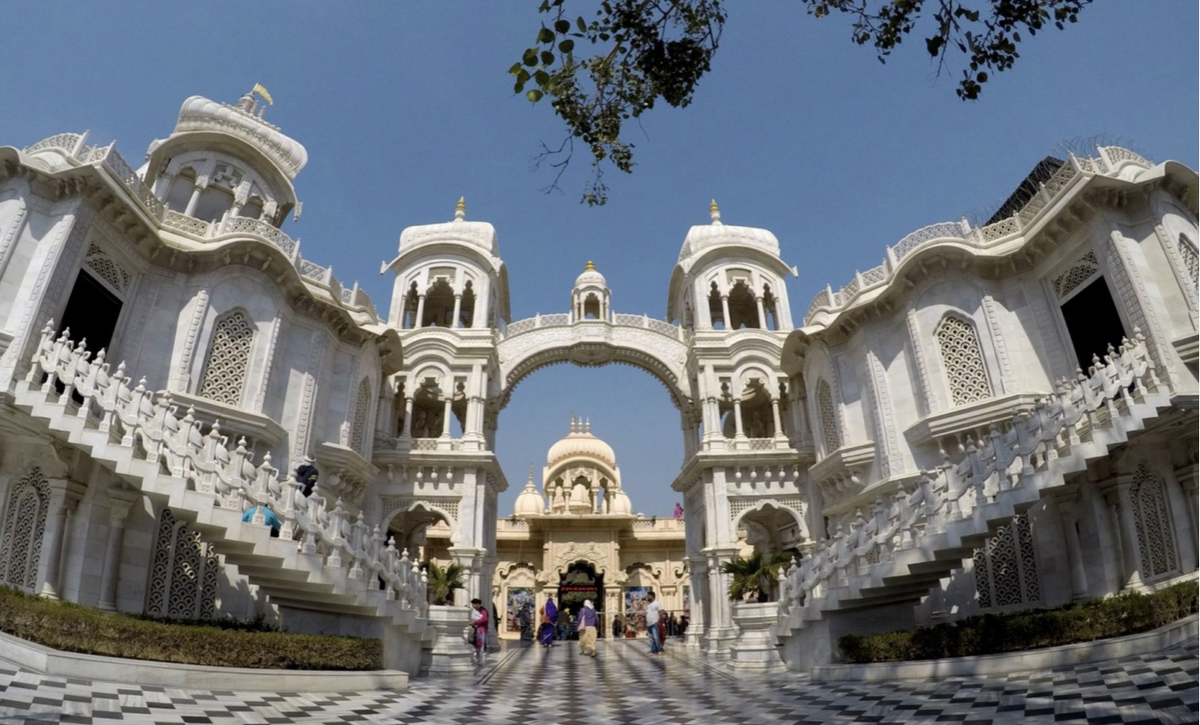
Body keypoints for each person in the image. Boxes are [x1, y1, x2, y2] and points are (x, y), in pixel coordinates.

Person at [470, 598, 489, 665]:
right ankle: (477, 659)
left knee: (480, 645)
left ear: (477, 604)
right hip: (476, 629)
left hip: (481, 629)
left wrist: (476, 622)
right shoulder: (475, 610)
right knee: (476, 644)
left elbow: (484, 619)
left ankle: (480, 660)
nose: (473, 605)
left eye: (474, 604)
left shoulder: (483, 610)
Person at [645, 591, 663, 656]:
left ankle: (659, 650)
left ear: (652, 596)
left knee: (656, 637)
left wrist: (658, 621)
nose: (647, 597)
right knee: (651, 639)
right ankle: (653, 650)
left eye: (648, 596)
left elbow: (661, 612)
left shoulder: (657, 604)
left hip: (654, 623)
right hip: (649, 624)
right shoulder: (648, 604)